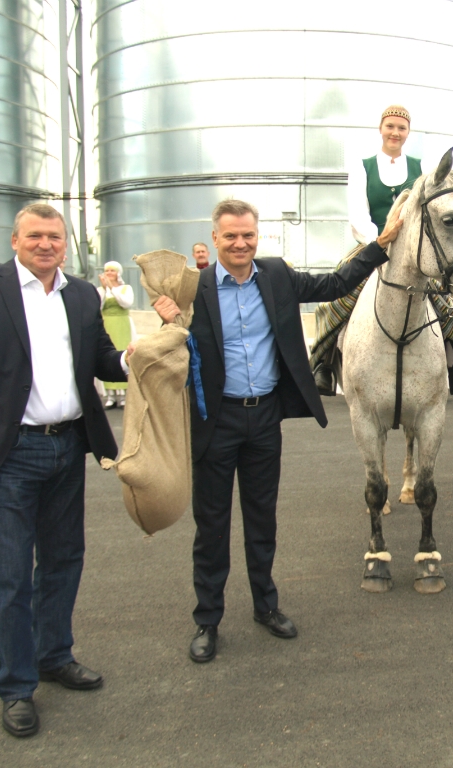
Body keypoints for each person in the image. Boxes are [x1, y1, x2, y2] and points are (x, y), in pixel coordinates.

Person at [152, 198, 401, 664]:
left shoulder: (277, 276)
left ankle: (266, 606)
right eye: (230, 236)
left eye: (248, 234)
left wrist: (380, 244)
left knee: (262, 519)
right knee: (212, 527)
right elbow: (171, 351)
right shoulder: (194, 288)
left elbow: (335, 284)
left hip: (264, 418)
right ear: (215, 239)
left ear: (257, 235)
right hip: (215, 423)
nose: (240, 243)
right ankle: (207, 618)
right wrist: (171, 321)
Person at [0, 203, 131, 738]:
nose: (46, 244)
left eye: (54, 236)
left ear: (65, 245)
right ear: (14, 240)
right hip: (7, 453)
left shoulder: (79, 293)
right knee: (7, 576)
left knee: (62, 560)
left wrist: (135, 357)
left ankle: (54, 655)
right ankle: (16, 686)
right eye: (36, 236)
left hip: (67, 446)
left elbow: (100, 357)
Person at [308, 104, 453, 398]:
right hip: (372, 243)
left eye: (401, 128)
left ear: (407, 133)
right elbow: (357, 214)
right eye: (390, 127)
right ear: (381, 129)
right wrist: (379, 242)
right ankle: (322, 363)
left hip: (414, 249)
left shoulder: (421, 167)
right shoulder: (362, 166)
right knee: (339, 292)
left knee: (444, 295)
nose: (395, 133)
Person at [97, 261, 135, 408]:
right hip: (107, 323)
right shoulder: (101, 290)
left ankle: (124, 394)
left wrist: (113, 288)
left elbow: (125, 303)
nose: (109, 274)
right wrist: (104, 289)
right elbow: (98, 306)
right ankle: (110, 395)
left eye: (112, 271)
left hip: (122, 323)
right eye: (107, 271)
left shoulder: (125, 288)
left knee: (123, 354)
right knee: (106, 353)